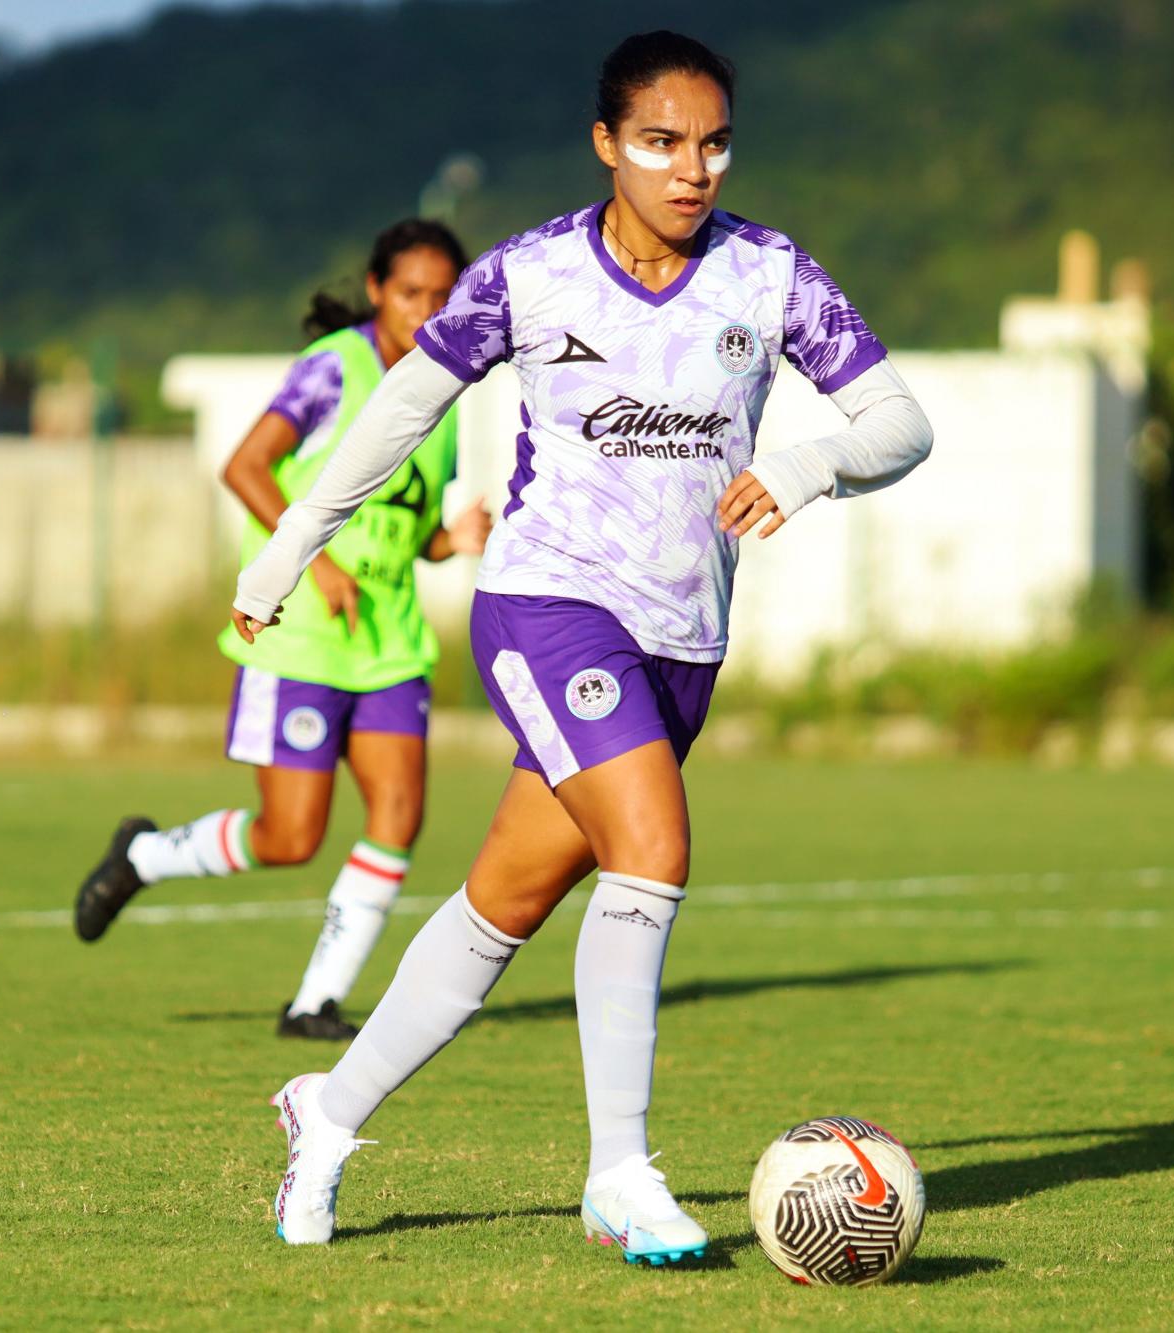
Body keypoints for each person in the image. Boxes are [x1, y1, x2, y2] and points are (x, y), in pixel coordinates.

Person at [242, 31, 931, 1258]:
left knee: (503, 900)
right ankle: (619, 1168)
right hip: (545, 604)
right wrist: (295, 538)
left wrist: (812, 458)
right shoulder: (528, 275)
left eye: (713, 143)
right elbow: (405, 403)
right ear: (606, 144)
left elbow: (899, 422)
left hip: (683, 642)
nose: (692, 169)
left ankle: (326, 1108)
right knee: (653, 847)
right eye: (662, 142)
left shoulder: (768, 277)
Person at [74, 219, 492, 1044]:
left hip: (389, 643)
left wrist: (454, 538)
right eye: (413, 292)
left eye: (445, 296)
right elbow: (244, 466)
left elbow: (407, 534)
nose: (428, 308)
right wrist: (316, 563)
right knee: (290, 836)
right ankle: (146, 857)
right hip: (298, 633)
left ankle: (314, 1002)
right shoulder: (335, 368)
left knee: (398, 815)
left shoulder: (446, 392)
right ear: (377, 290)